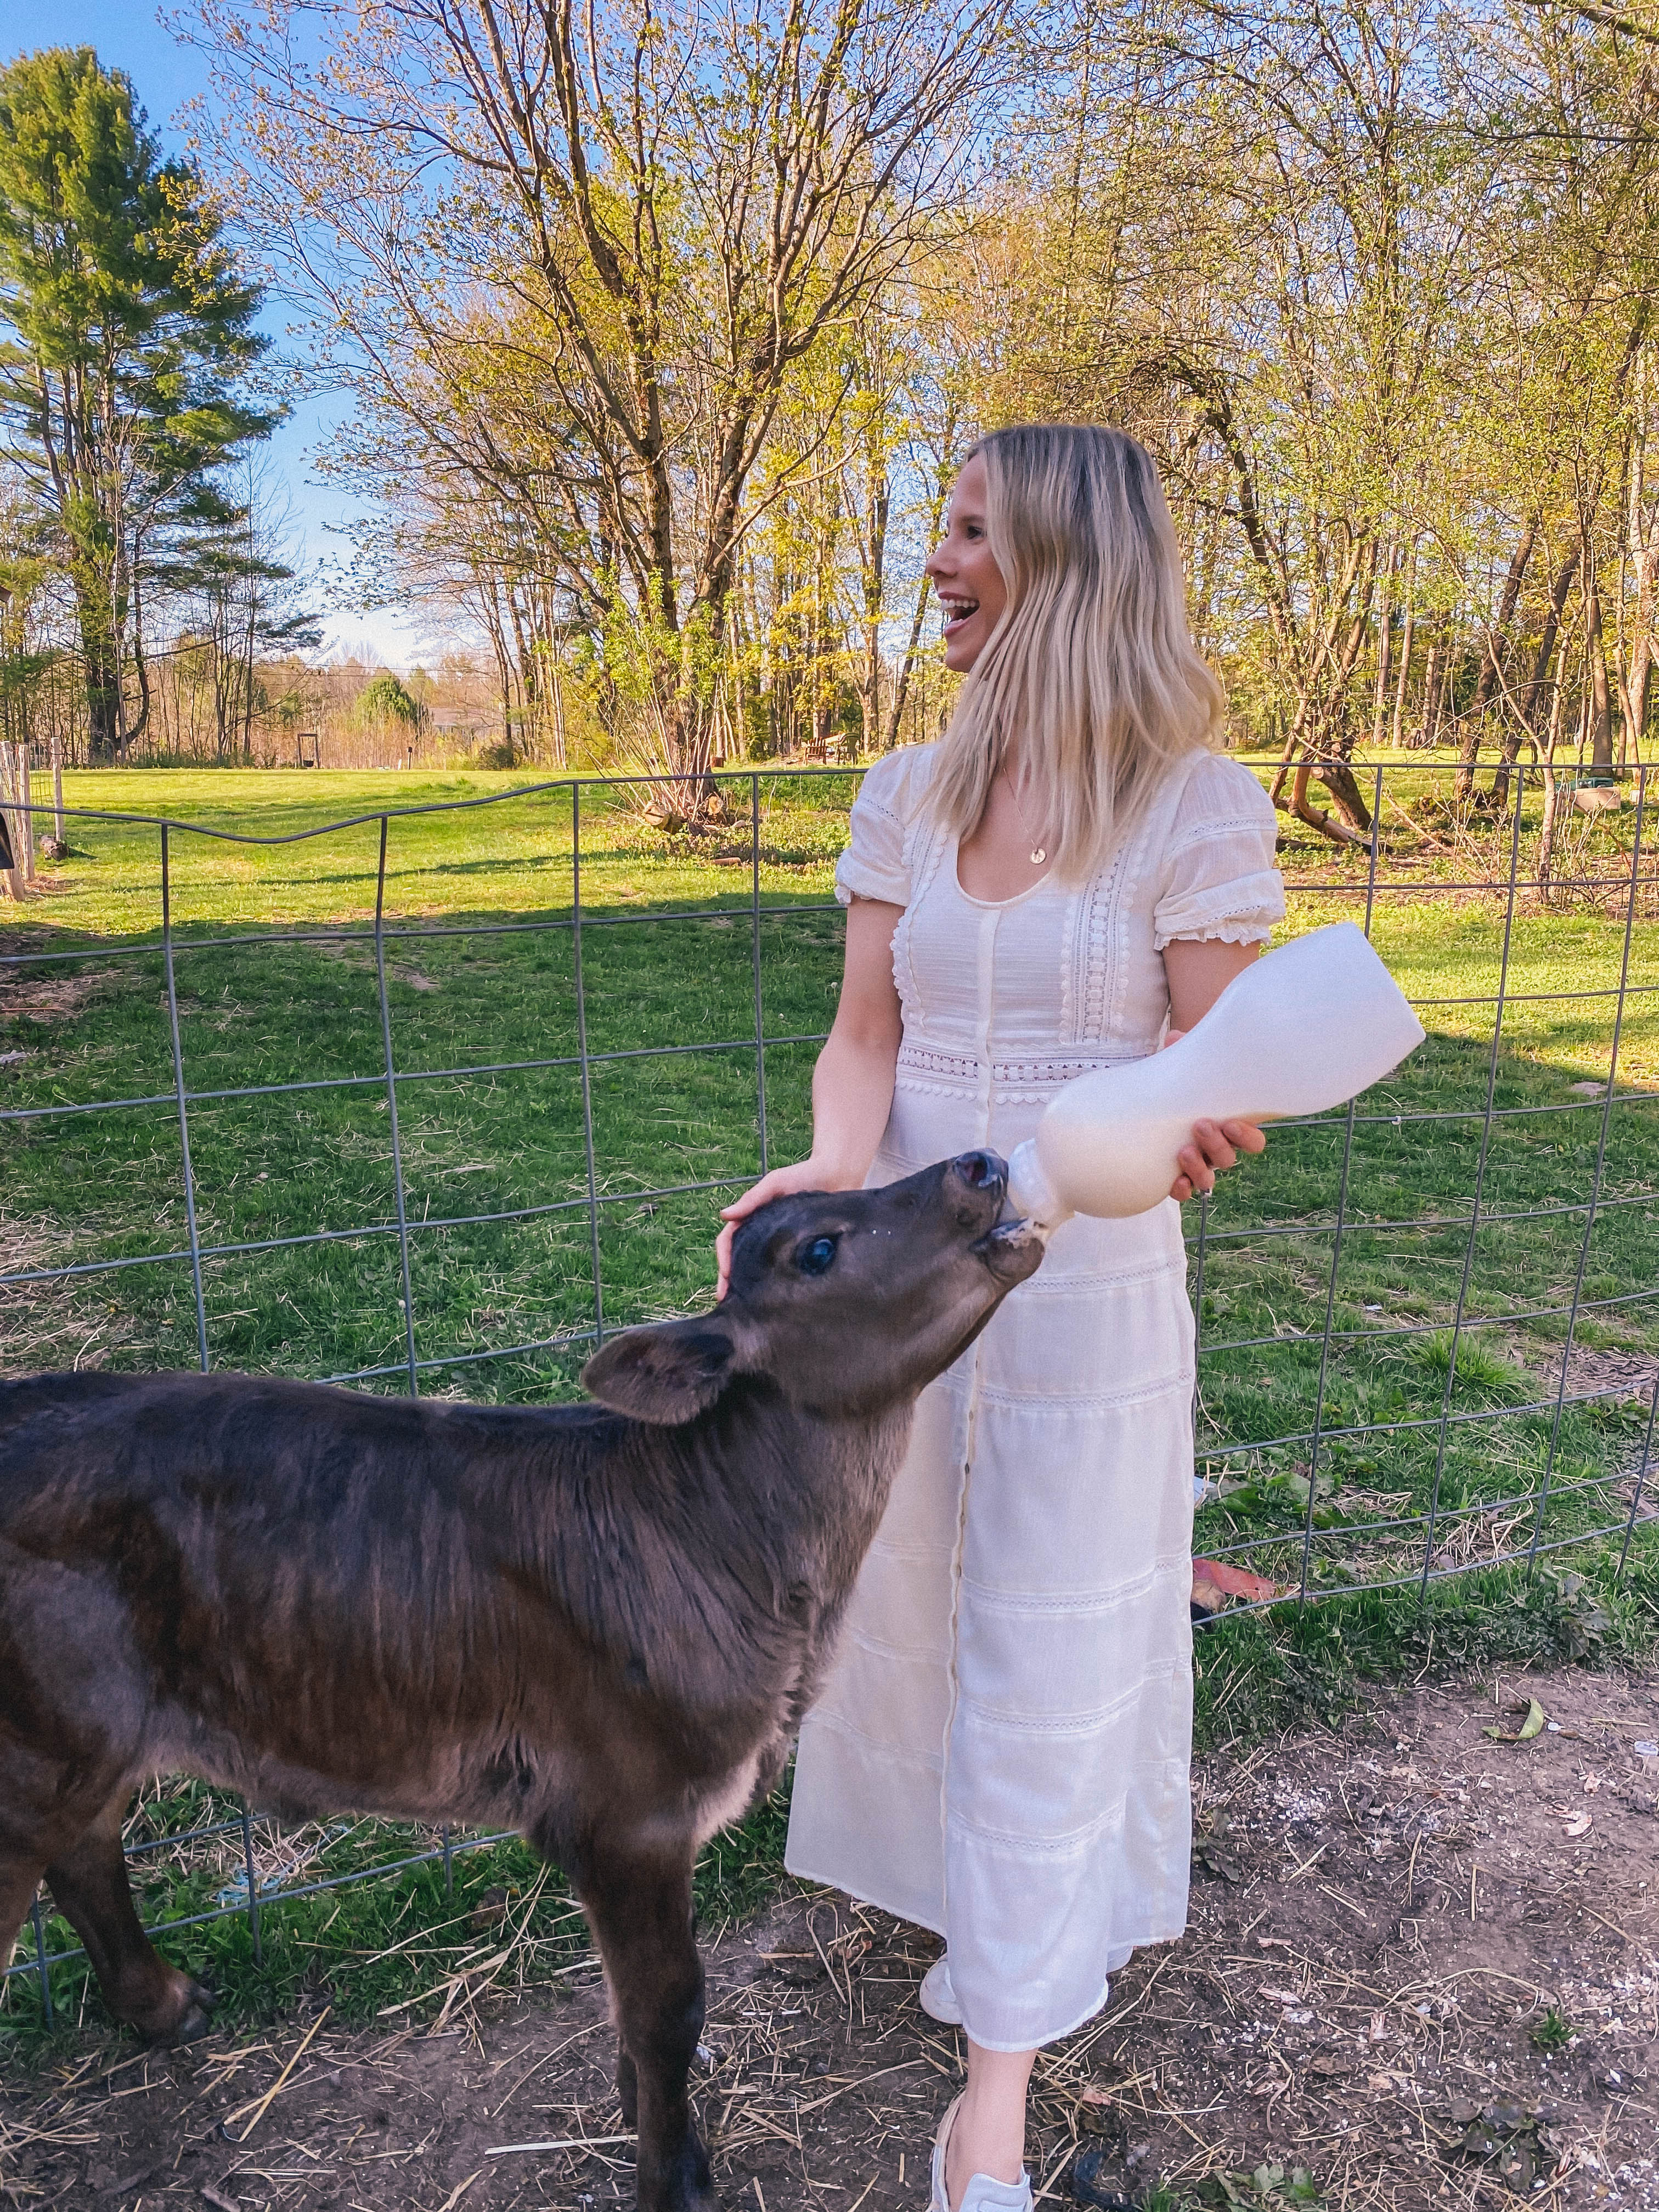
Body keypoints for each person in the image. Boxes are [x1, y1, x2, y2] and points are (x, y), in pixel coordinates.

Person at [714, 424, 1284, 2212]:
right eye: (939, 526)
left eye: (969, 531)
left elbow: (1220, 1071)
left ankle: (993, 2109)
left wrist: (1199, 1124)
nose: (935, 560)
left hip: (1082, 1287)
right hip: (897, 1277)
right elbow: (866, 1031)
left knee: (1043, 1636)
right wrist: (822, 1165)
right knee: (906, 1601)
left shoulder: (1197, 808)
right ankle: (965, 1889)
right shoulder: (909, 787)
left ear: (1062, 559)